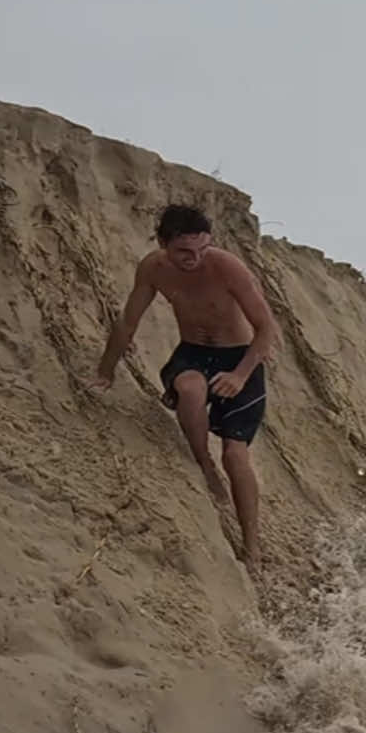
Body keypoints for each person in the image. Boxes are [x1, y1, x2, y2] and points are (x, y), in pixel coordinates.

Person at [91, 204, 278, 569]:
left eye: (201, 249)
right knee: (191, 390)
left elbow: (266, 328)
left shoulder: (227, 267)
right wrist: (105, 370)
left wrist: (240, 375)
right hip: (192, 353)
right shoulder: (153, 268)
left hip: (240, 357)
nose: (194, 259)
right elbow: (128, 321)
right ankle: (202, 462)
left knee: (235, 453)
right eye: (183, 252)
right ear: (163, 243)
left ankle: (252, 545)